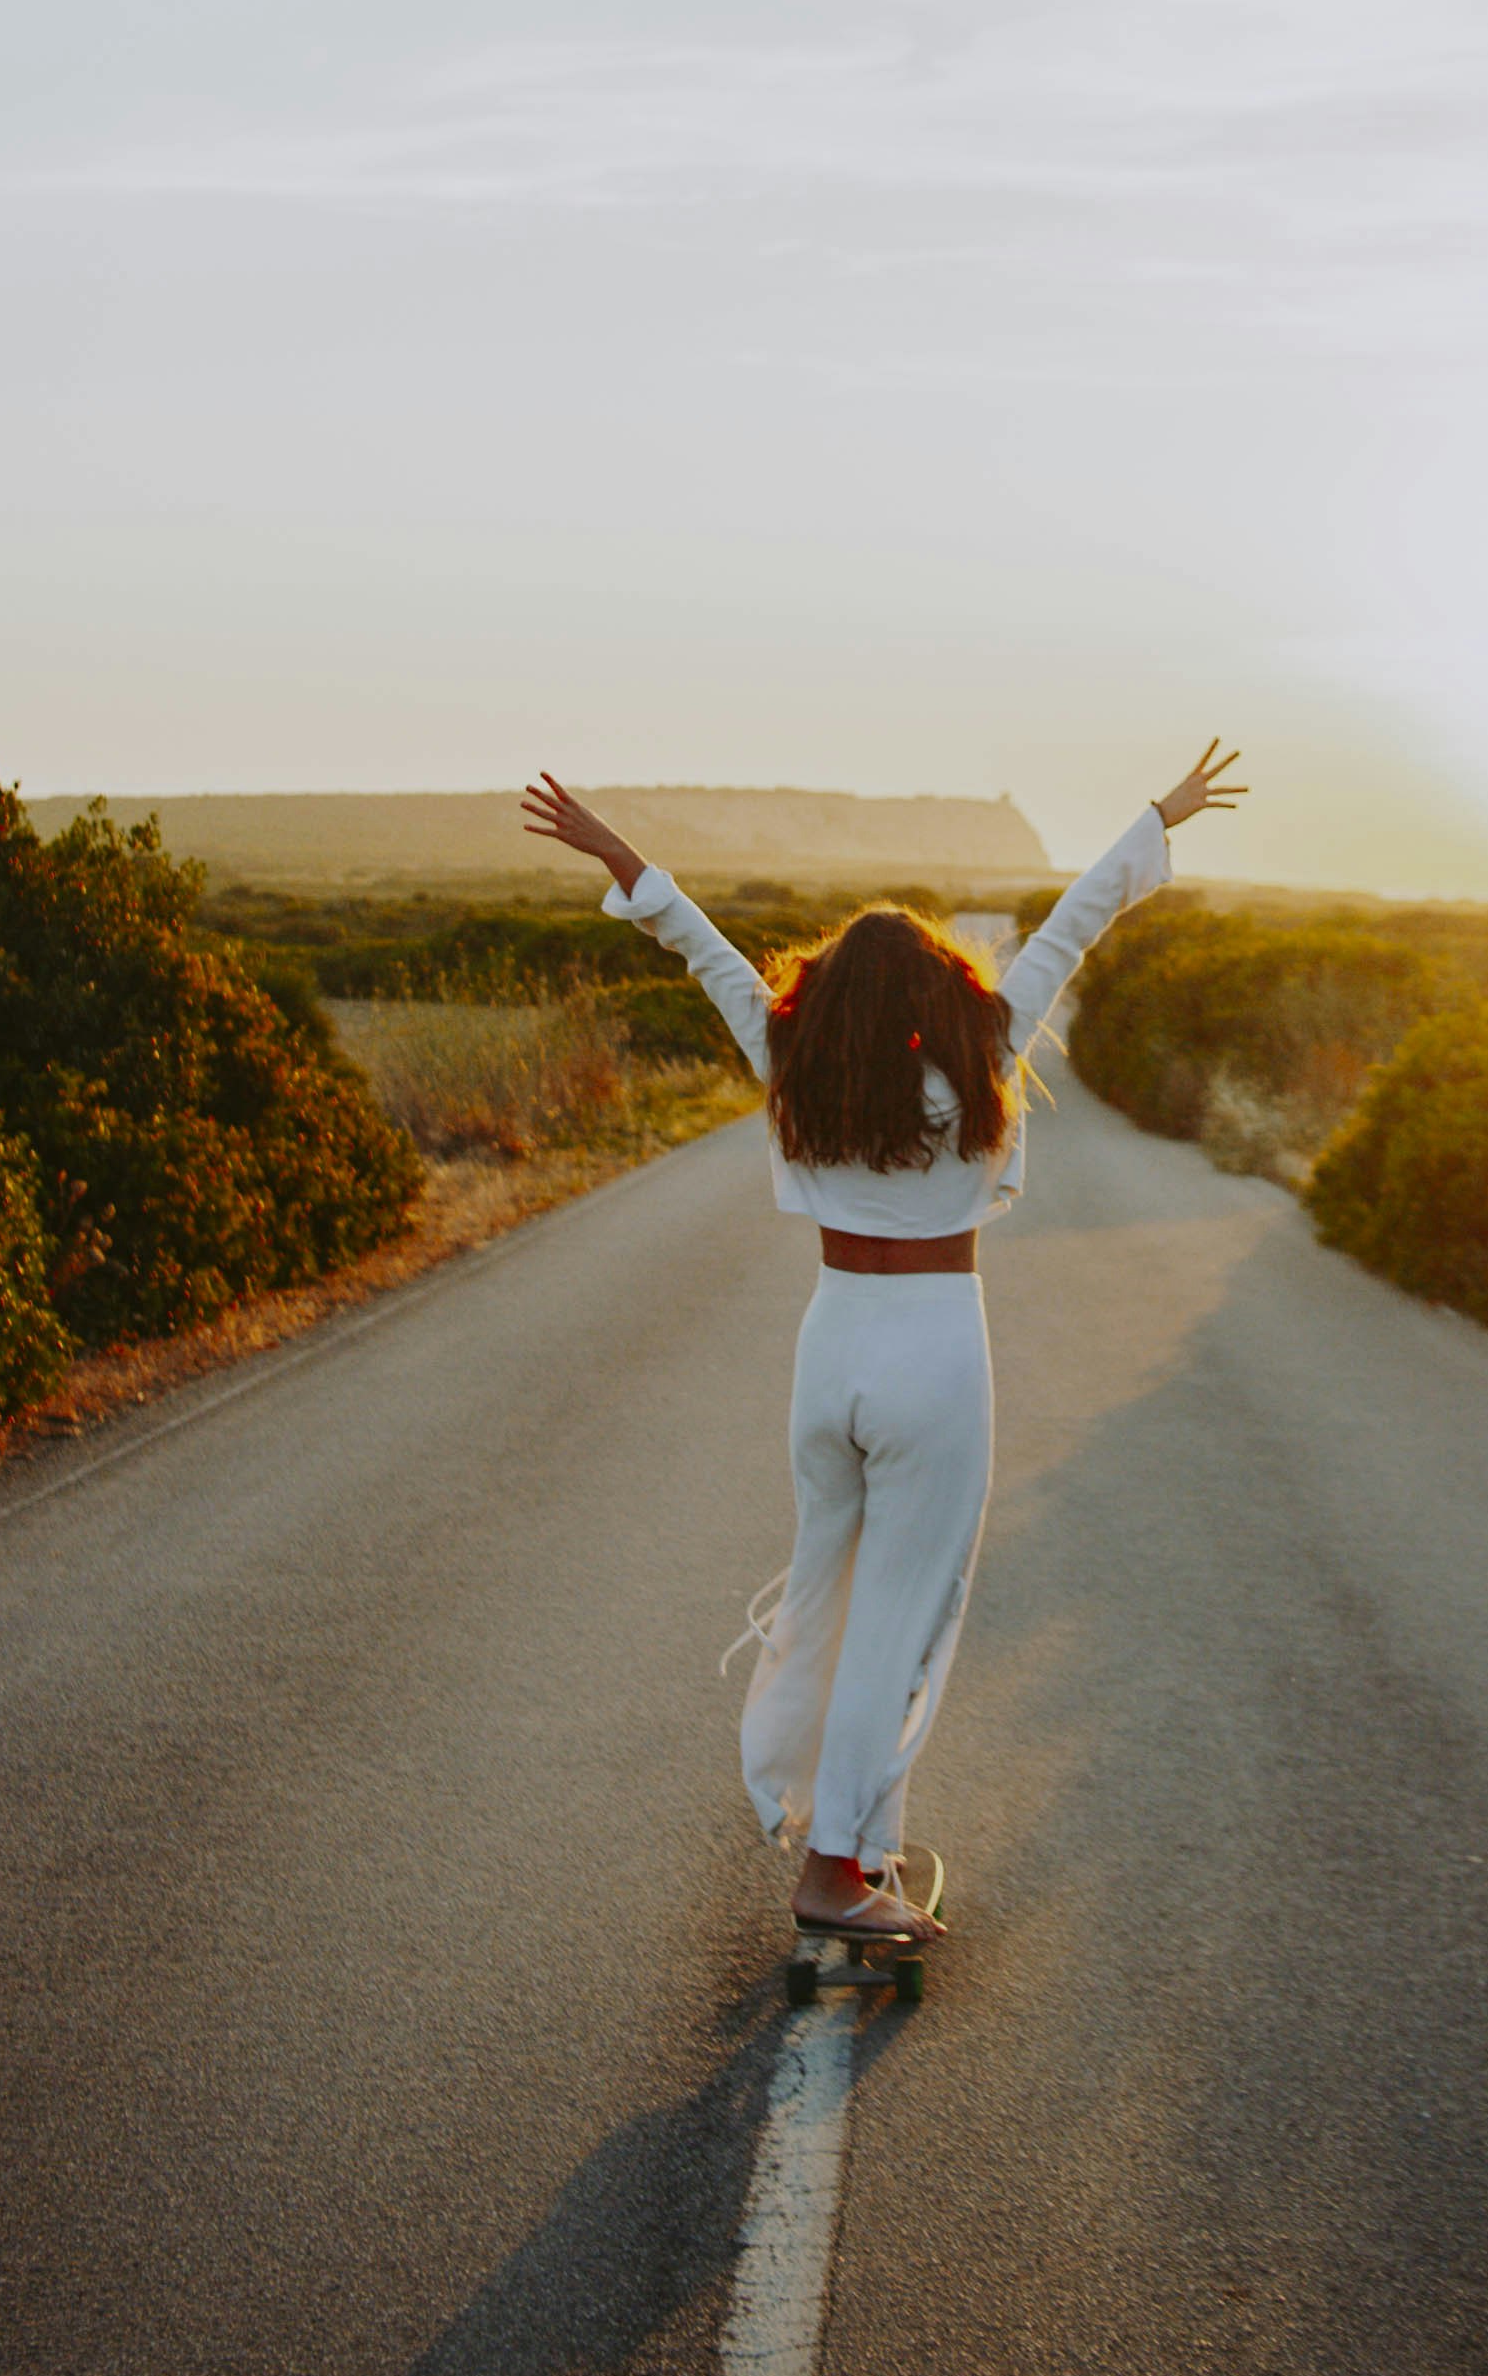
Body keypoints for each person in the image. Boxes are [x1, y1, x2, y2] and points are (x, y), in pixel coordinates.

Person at [520, 744, 1248, 1943]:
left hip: (831, 1348)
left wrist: (615, 852)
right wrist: (1156, 817)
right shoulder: (986, 1049)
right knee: (904, 1616)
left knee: (827, 1594)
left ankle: (837, 1826)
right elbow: (1076, 922)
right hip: (933, 1355)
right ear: (940, 996)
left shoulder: (791, 1056)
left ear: (830, 1000)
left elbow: (698, 946)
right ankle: (834, 1872)